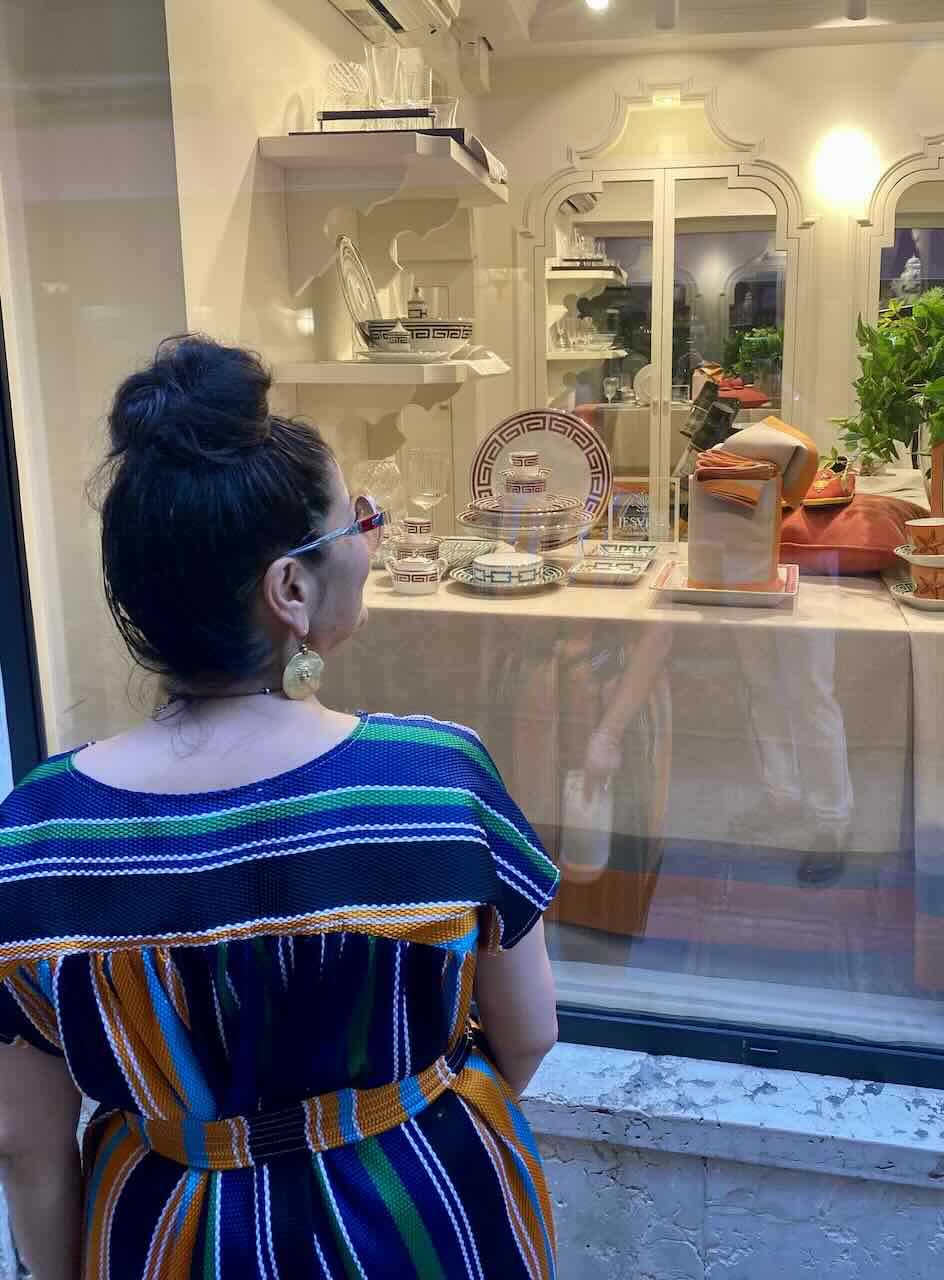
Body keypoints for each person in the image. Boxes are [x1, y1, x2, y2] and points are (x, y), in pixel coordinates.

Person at [0, 336, 560, 1279]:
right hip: (423, 1216)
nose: (371, 541)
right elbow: (530, 1032)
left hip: (170, 1236)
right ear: (290, 590)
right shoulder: (435, 782)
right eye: (359, 521)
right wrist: (382, 1117)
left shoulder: (38, 837)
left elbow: (24, 1139)